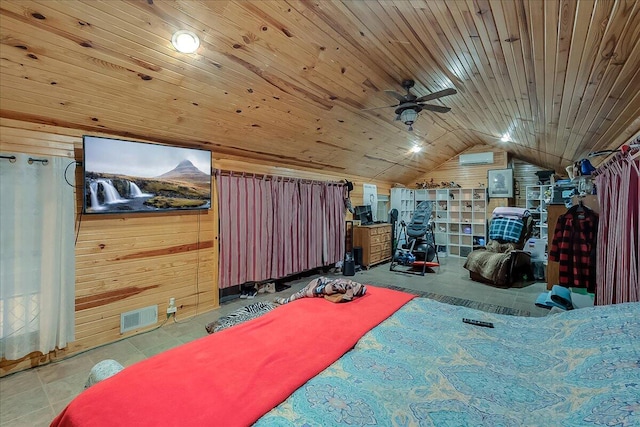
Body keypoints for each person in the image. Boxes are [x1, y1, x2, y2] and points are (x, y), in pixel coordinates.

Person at [274, 277, 367, 304]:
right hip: (320, 282)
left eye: (354, 285)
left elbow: (323, 290)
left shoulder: (341, 288)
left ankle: (282, 301)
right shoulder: (342, 285)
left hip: (317, 287)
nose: (351, 282)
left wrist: (349, 287)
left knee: (299, 294)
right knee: (299, 293)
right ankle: (283, 300)